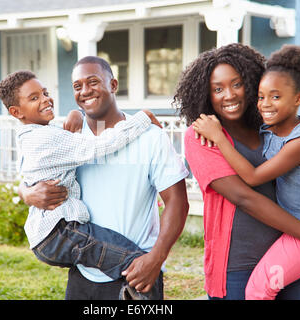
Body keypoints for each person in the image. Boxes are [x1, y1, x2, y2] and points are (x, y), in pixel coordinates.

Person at [174, 43, 300, 300]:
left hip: (289, 253)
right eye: (218, 89)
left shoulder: (272, 126)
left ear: (252, 83)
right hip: (238, 267)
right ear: (206, 94)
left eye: (237, 84)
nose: (228, 95)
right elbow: (244, 197)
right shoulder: (201, 137)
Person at [18, 56, 190, 300]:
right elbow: (33, 169)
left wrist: (155, 259)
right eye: (77, 86)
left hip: (138, 271)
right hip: (84, 273)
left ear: (113, 85)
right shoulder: (68, 136)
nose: (85, 91)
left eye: (93, 82)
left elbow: (178, 203)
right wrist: (25, 192)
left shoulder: (150, 136)